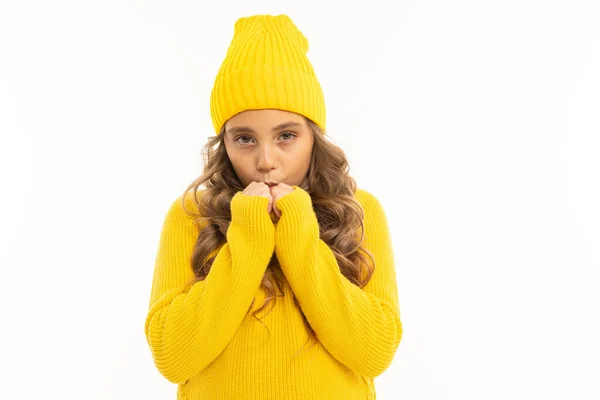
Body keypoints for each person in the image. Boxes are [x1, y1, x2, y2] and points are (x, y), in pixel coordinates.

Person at [144, 14, 402, 400]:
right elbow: (173, 358)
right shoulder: (191, 215)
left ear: (313, 136)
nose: (267, 160)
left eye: (286, 136)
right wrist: (248, 234)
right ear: (224, 143)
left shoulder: (358, 211)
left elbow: (374, 353)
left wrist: (299, 235)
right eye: (245, 139)